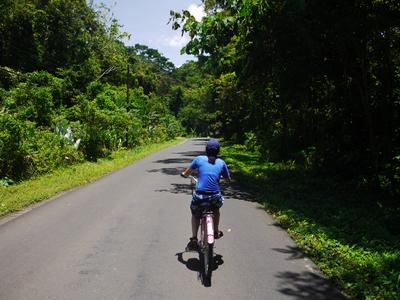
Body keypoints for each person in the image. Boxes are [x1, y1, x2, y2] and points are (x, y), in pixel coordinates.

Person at [181, 139, 231, 251]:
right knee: (216, 209)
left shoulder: (199, 159)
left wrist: (184, 174)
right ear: (218, 151)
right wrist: (222, 181)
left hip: (200, 196)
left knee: (195, 214)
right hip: (214, 197)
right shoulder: (221, 163)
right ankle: (216, 230)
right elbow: (228, 180)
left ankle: (194, 238)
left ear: (206, 150)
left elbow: (187, 172)